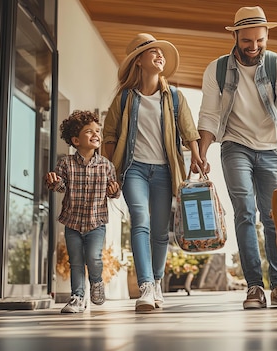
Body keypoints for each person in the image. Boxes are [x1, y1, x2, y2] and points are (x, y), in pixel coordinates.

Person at [197, 6, 277, 309]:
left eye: (259, 40)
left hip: (271, 150)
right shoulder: (217, 69)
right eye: (247, 40)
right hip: (234, 146)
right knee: (246, 213)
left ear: (266, 36)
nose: (253, 47)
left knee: (274, 217)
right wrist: (201, 153)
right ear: (235, 35)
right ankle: (254, 287)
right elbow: (209, 115)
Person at [102, 33, 204, 312]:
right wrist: (109, 173)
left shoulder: (173, 97)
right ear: (139, 61)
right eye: (153, 52)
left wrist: (196, 156)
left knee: (160, 232)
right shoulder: (124, 99)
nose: (160, 56)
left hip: (164, 171)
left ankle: (157, 282)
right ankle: (146, 286)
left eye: (160, 52)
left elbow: (189, 131)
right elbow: (109, 136)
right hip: (133, 168)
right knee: (140, 220)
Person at [46, 110, 121, 313]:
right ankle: (77, 297)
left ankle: (96, 282)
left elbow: (113, 192)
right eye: (89, 131)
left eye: (97, 130)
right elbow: (61, 186)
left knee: (94, 257)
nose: (96, 134)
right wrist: (54, 182)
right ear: (76, 140)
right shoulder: (65, 163)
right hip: (72, 222)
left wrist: (114, 191)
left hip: (96, 223)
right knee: (76, 261)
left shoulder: (106, 165)